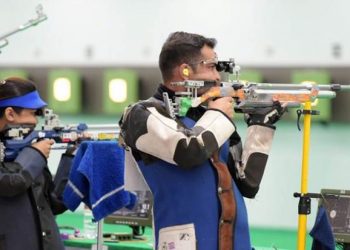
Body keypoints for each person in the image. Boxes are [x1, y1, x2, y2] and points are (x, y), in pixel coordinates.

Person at [119, 31, 285, 250]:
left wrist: (261, 125)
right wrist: (220, 115)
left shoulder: (207, 118)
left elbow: (248, 184)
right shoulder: (141, 114)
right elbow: (188, 151)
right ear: (184, 70)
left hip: (237, 243)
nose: (218, 77)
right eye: (211, 66)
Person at [0, 77, 75, 250]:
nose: (35, 122)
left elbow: (54, 204)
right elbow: (11, 182)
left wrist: (72, 157)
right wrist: (35, 153)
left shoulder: (22, 150)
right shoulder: (30, 154)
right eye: (33, 113)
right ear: (10, 113)